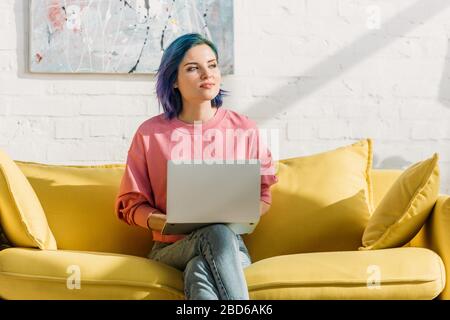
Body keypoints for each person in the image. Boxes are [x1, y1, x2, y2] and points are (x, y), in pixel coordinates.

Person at [114, 33, 278, 300]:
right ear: (174, 81)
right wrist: (165, 221)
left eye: (212, 65)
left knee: (199, 269)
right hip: (170, 249)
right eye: (193, 68)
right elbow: (132, 207)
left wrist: (245, 213)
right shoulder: (150, 134)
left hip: (231, 249)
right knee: (213, 235)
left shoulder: (244, 129)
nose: (207, 74)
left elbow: (263, 196)